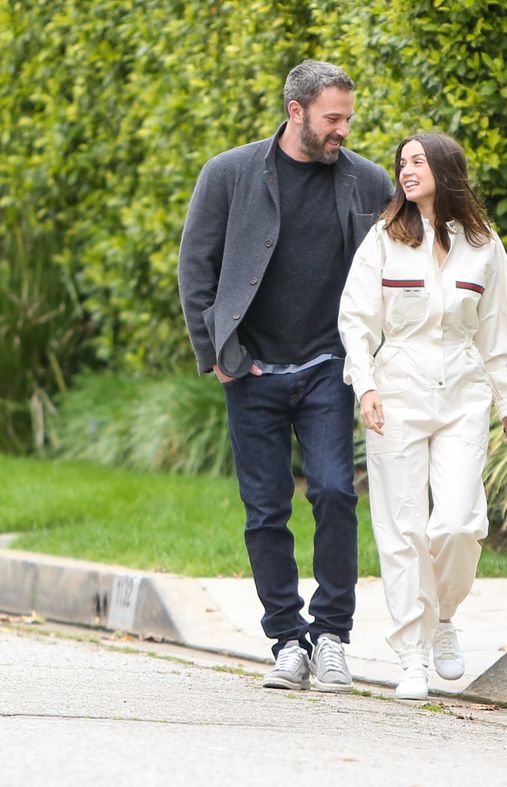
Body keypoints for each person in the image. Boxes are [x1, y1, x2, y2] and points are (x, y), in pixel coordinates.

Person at [178, 60, 393, 692]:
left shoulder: (368, 182)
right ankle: (286, 640)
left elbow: (417, 255)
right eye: (333, 118)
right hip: (252, 369)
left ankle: (331, 635)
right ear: (295, 111)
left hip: (329, 365)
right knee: (265, 508)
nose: (343, 131)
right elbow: (197, 267)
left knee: (333, 491)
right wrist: (213, 350)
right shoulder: (228, 174)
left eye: (348, 118)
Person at [338, 133, 507, 700]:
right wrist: (365, 386)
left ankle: (442, 618)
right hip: (396, 390)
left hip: (464, 395)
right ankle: (413, 654)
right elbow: (356, 319)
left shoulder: (484, 244)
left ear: (446, 170)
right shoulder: (383, 240)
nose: (405, 170)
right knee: (402, 530)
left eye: (417, 161)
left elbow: (496, 333)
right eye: (402, 163)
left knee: (459, 524)